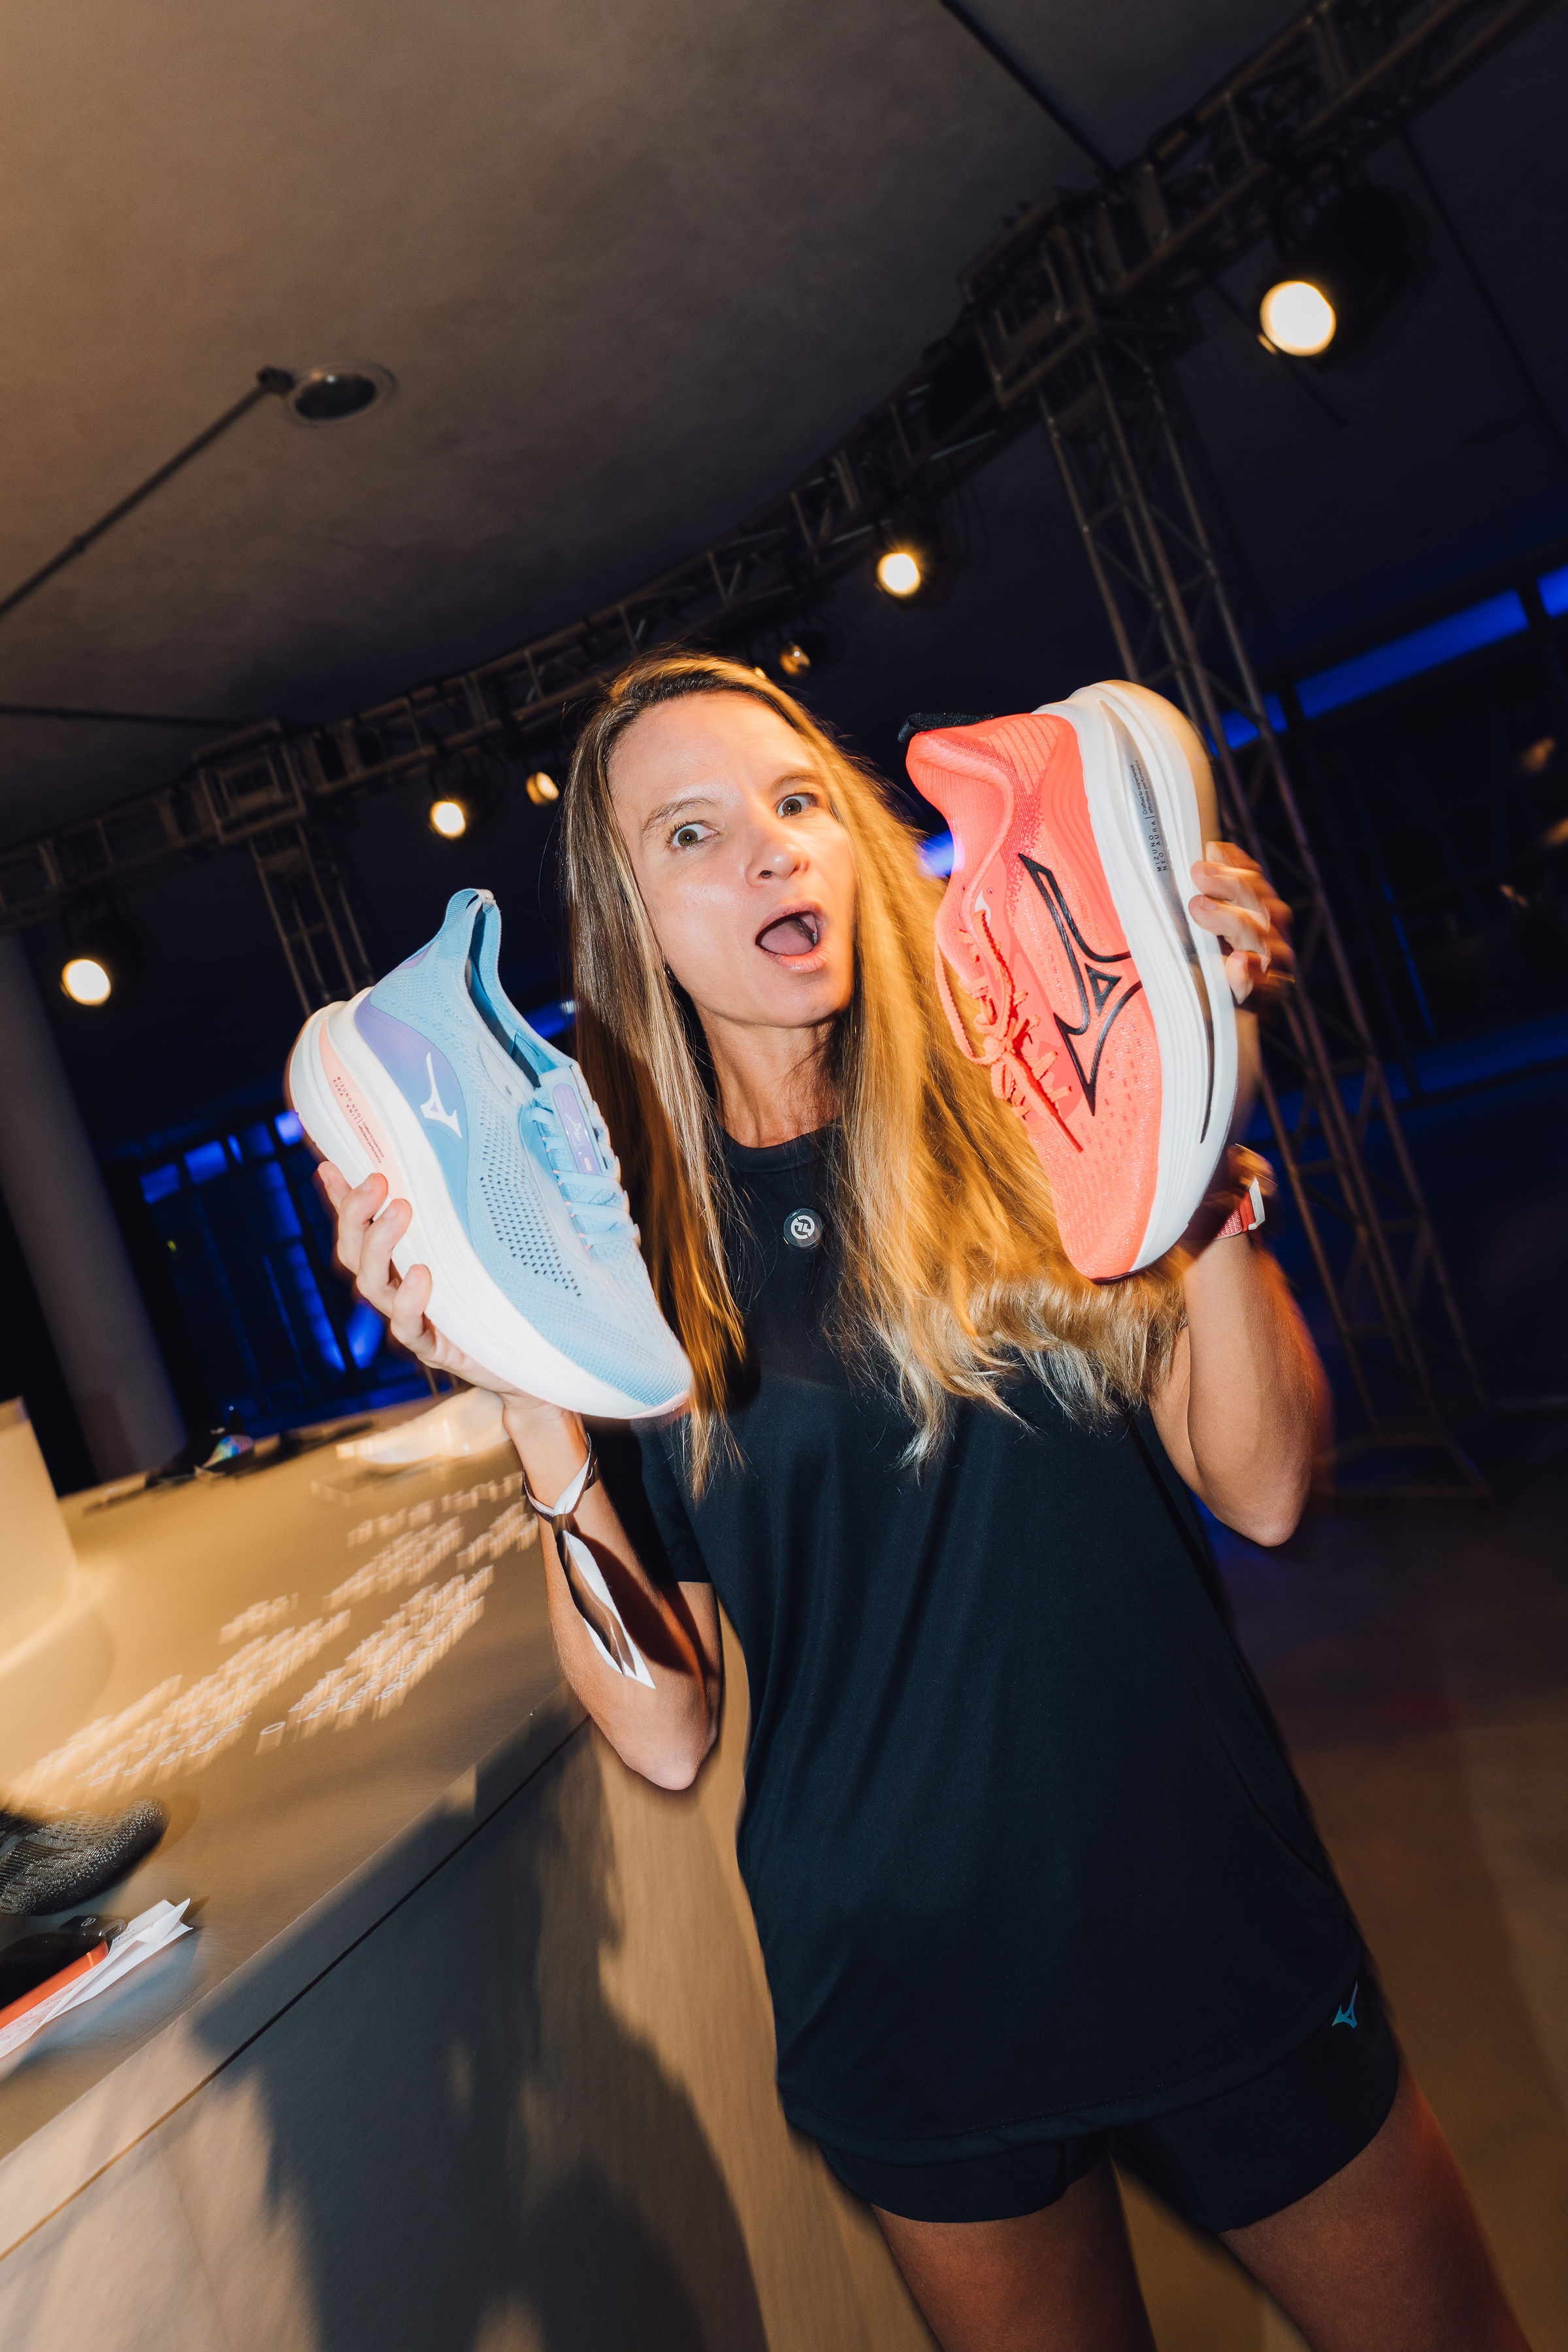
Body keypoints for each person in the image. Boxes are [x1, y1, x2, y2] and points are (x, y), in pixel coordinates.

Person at [321, 654, 1528, 2352]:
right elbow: (664, 1731)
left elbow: (1261, 1491)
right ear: (628, 920)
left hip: (1205, 1906)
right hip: (907, 1991)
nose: (773, 848)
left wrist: (1197, 1092)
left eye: (798, 802)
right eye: (693, 832)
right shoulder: (620, 1272)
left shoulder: (1043, 1093)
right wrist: (526, 1384)